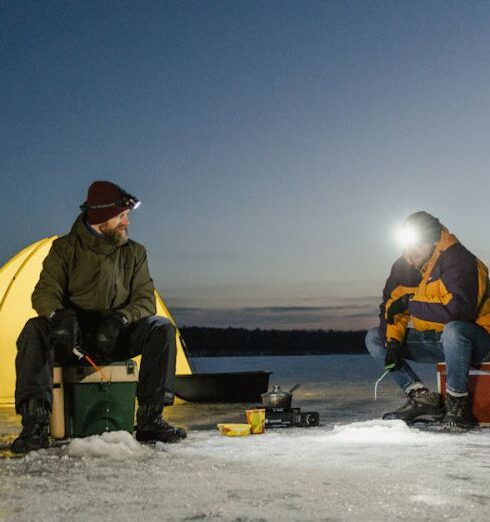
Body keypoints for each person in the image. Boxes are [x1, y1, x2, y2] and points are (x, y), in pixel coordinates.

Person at [11, 181, 187, 453]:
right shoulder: (64, 249)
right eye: (121, 216)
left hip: (114, 335)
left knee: (161, 328)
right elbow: (44, 292)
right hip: (73, 339)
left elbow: (145, 300)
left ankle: (151, 418)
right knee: (34, 329)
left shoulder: (135, 253)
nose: (126, 223)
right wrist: (59, 317)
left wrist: (121, 319)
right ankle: (35, 424)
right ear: (101, 217)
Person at [366, 211, 490, 430]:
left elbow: (460, 312)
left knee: (453, 330)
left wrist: (410, 303)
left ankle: (457, 404)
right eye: (408, 245)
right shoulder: (403, 267)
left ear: (433, 240)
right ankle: (422, 398)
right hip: (437, 340)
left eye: (418, 245)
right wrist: (393, 341)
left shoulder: (458, 259)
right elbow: (392, 308)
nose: (412, 252)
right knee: (375, 338)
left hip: (477, 339)